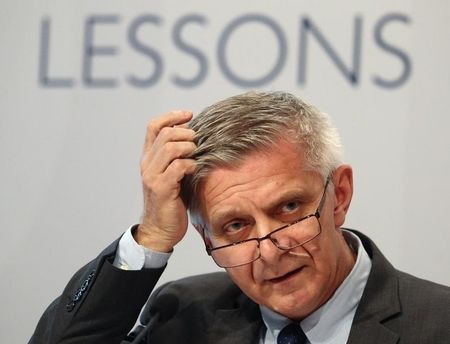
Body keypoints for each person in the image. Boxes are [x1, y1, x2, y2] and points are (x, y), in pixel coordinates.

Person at [30, 91, 450, 344]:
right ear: (207, 238)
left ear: (338, 195)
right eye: (236, 226)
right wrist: (154, 234)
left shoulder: (438, 324)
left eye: (288, 208)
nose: (269, 249)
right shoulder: (183, 317)